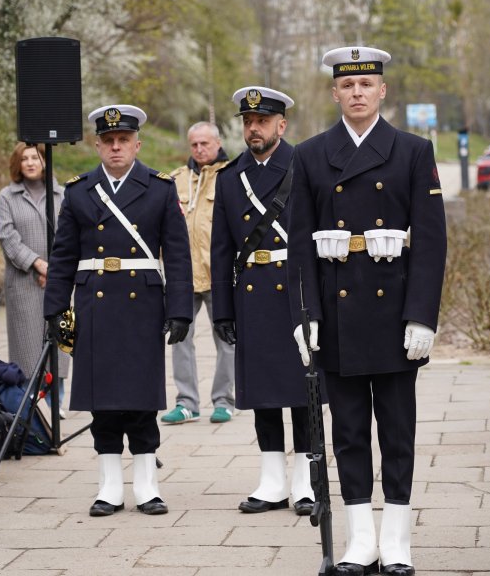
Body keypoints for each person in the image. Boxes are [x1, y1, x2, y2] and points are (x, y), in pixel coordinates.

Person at [286, 46, 447, 576]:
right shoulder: (309, 155)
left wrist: (422, 315)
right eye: (347, 85)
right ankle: (362, 539)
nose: (357, 93)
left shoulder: (412, 150)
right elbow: (301, 246)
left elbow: (430, 240)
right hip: (338, 316)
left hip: (395, 312)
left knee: (397, 431)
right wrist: (304, 313)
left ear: (383, 91)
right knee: (349, 431)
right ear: (334, 93)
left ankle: (397, 539)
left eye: (366, 84)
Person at [43, 104, 193, 517]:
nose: (115, 147)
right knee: (103, 403)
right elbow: (63, 256)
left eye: (123, 140)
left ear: (136, 144)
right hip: (95, 307)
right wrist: (55, 309)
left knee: (142, 402)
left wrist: (180, 309)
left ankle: (147, 486)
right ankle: (109, 487)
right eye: (108, 141)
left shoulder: (160, 189)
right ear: (97, 145)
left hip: (142, 305)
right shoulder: (78, 191)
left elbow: (178, 256)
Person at [211, 86, 315, 517]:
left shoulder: (305, 166)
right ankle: (272, 482)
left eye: (263, 121)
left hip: (296, 292)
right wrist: (222, 310)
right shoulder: (229, 176)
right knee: (264, 395)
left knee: (302, 393)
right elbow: (220, 250)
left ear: (281, 125)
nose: (254, 129)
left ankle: (307, 483)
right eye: (248, 122)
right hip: (251, 295)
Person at [161, 122, 235, 425]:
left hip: (219, 274)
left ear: (218, 143)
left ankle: (224, 400)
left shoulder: (232, 177)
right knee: (179, 340)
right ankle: (187, 402)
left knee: (227, 341)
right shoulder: (176, 180)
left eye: (205, 143)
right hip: (183, 276)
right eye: (194, 144)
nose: (199, 149)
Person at [0, 142, 70, 416]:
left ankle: (56, 402)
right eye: (24, 158)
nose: (30, 162)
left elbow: (69, 235)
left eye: (35, 157)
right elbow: (7, 237)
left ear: (44, 161)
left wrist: (56, 271)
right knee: (27, 346)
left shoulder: (62, 194)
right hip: (25, 282)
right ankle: (31, 401)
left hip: (59, 281)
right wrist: (39, 265)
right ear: (17, 164)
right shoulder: (7, 196)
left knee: (61, 342)